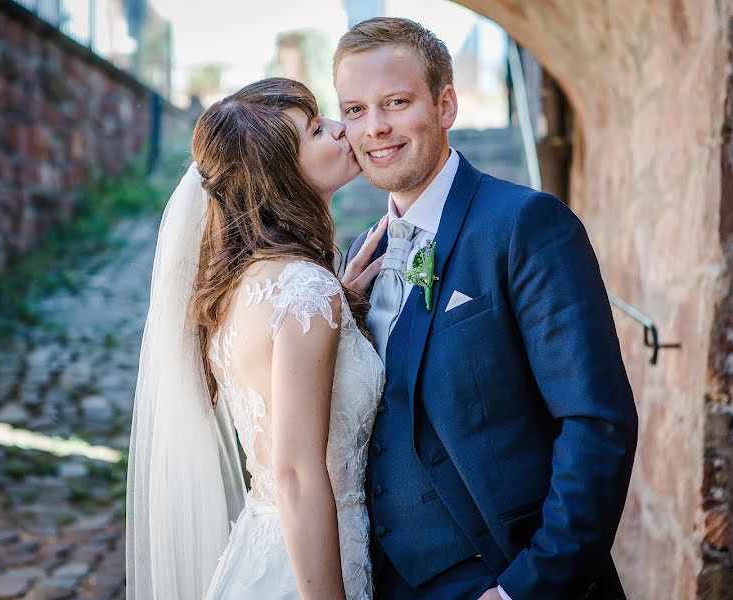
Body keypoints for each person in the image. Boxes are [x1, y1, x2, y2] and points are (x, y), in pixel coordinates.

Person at [335, 17, 638, 600]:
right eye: (354, 110)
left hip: (503, 575)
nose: (374, 128)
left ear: (445, 105)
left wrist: (527, 588)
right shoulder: (360, 255)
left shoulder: (524, 224)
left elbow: (597, 422)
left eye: (396, 102)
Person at [126, 77, 386, 600]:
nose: (342, 130)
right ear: (282, 175)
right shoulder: (305, 291)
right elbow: (294, 473)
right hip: (312, 568)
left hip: (261, 550)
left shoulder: (242, 285)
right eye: (316, 129)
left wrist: (344, 303)